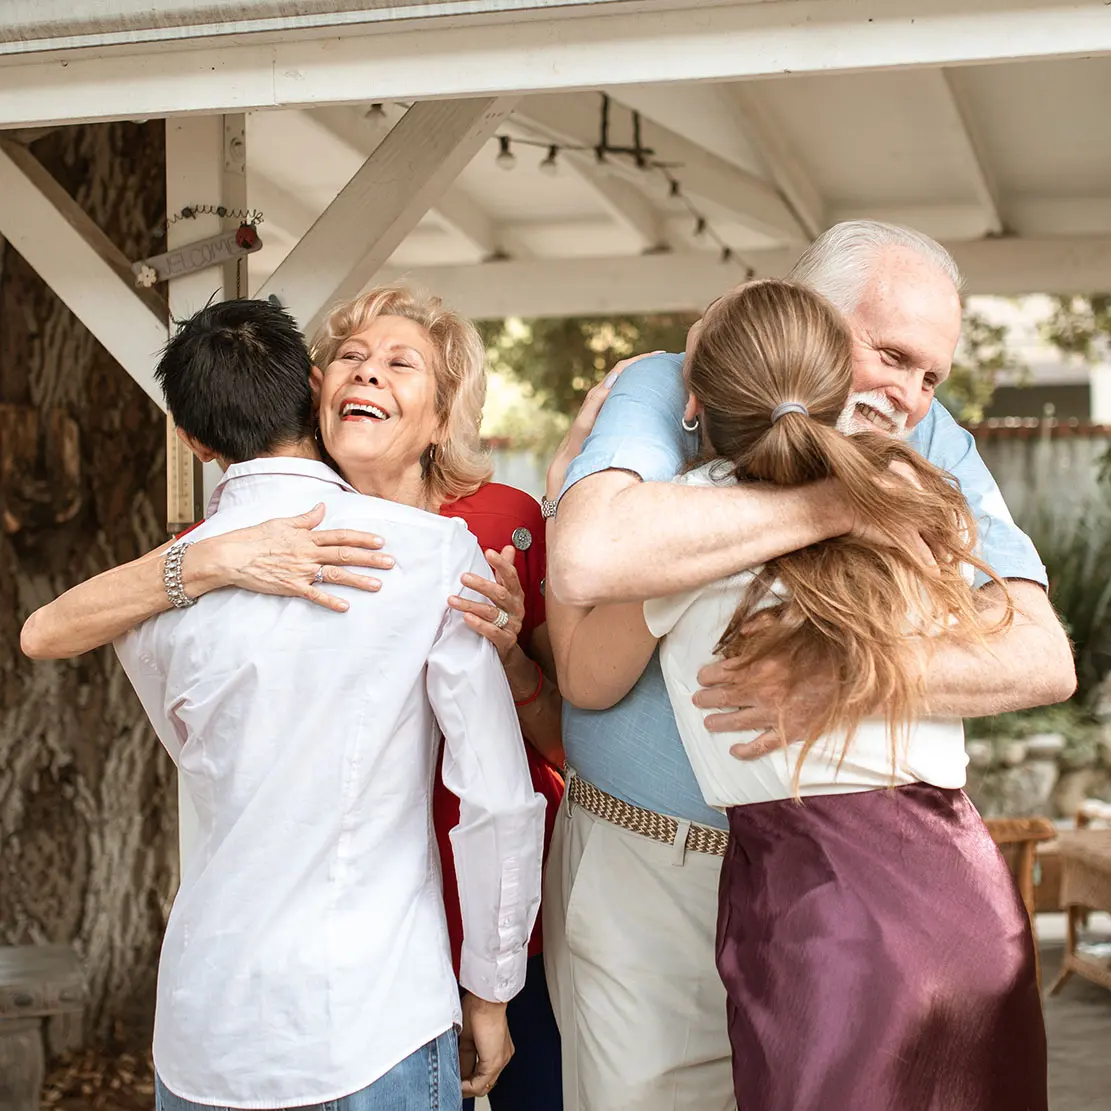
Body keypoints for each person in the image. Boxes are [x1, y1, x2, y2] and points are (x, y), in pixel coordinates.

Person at [541, 222, 1075, 1111]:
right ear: (808, 316)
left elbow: (1038, 653)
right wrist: (837, 500)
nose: (909, 398)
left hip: (837, 905)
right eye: (891, 354)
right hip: (658, 874)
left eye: (931, 374)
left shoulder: (926, 439)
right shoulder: (667, 383)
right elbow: (590, 560)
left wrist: (844, 676)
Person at [21, 286, 565, 1111]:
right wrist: (489, 993)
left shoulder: (151, 596)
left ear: (190, 439)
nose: (368, 375)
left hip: (211, 1017)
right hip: (373, 1006)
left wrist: (200, 563)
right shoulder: (433, 556)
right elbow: (496, 798)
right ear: (313, 390)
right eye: (352, 357)